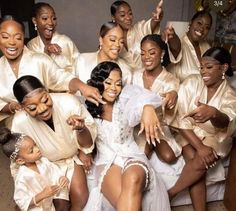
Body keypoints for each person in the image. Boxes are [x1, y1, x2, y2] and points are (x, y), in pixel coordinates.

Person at [84, 61, 170, 211]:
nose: (113, 88)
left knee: (134, 178)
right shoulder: (87, 107)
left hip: (132, 155)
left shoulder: (125, 97)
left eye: (118, 84)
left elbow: (141, 99)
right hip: (107, 160)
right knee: (125, 204)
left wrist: (147, 107)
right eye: (108, 82)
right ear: (98, 83)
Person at [11, 75, 97, 211]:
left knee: (81, 197)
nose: (42, 109)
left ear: (47, 90)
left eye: (45, 100)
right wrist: (27, 188)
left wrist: (81, 129)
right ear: (22, 107)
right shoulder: (19, 122)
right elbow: (18, 157)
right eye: (32, 108)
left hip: (71, 160)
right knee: (56, 205)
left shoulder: (68, 102)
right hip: (44, 166)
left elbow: (87, 144)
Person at [0, 15, 104, 128]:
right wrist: (11, 107)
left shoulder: (39, 60)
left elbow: (62, 77)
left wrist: (82, 86)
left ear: (23, 37)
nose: (11, 42)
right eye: (5, 37)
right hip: (15, 128)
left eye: (18, 37)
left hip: (46, 121)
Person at [168, 47, 236, 211]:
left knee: (197, 162)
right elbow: (180, 120)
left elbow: (226, 122)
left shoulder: (230, 95)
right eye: (201, 67)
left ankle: (169, 194)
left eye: (209, 67)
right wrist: (200, 147)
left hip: (216, 137)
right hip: (188, 132)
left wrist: (213, 113)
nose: (203, 71)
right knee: (197, 160)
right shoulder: (191, 82)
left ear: (224, 68)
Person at [132, 34, 181, 162]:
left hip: (159, 125)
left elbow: (171, 99)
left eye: (152, 52)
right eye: (143, 53)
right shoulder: (135, 76)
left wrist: (172, 96)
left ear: (162, 53)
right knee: (141, 155)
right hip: (138, 126)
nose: (146, 57)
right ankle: (148, 144)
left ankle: (154, 142)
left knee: (169, 157)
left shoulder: (171, 80)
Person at [0, 127, 69, 211]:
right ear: (20, 161)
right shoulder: (22, 177)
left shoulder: (43, 161)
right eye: (31, 151)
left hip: (50, 199)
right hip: (37, 205)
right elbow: (22, 202)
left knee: (63, 204)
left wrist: (61, 178)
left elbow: (54, 171)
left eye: (35, 145)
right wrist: (42, 195)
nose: (37, 149)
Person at [110, 0, 164, 70]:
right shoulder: (110, 37)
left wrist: (158, 16)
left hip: (145, 77)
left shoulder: (139, 28)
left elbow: (152, 24)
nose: (128, 18)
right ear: (113, 17)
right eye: (123, 15)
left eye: (130, 13)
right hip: (121, 79)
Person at [28, 2, 79, 74]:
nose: (51, 23)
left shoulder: (66, 42)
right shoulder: (32, 45)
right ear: (35, 21)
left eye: (54, 18)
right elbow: (32, 72)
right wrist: (46, 52)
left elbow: (80, 68)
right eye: (45, 18)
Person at [168, 10, 213, 82]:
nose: (201, 29)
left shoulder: (207, 47)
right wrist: (172, 36)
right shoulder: (179, 44)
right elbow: (175, 47)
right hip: (178, 91)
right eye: (199, 23)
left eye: (207, 27)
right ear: (191, 22)